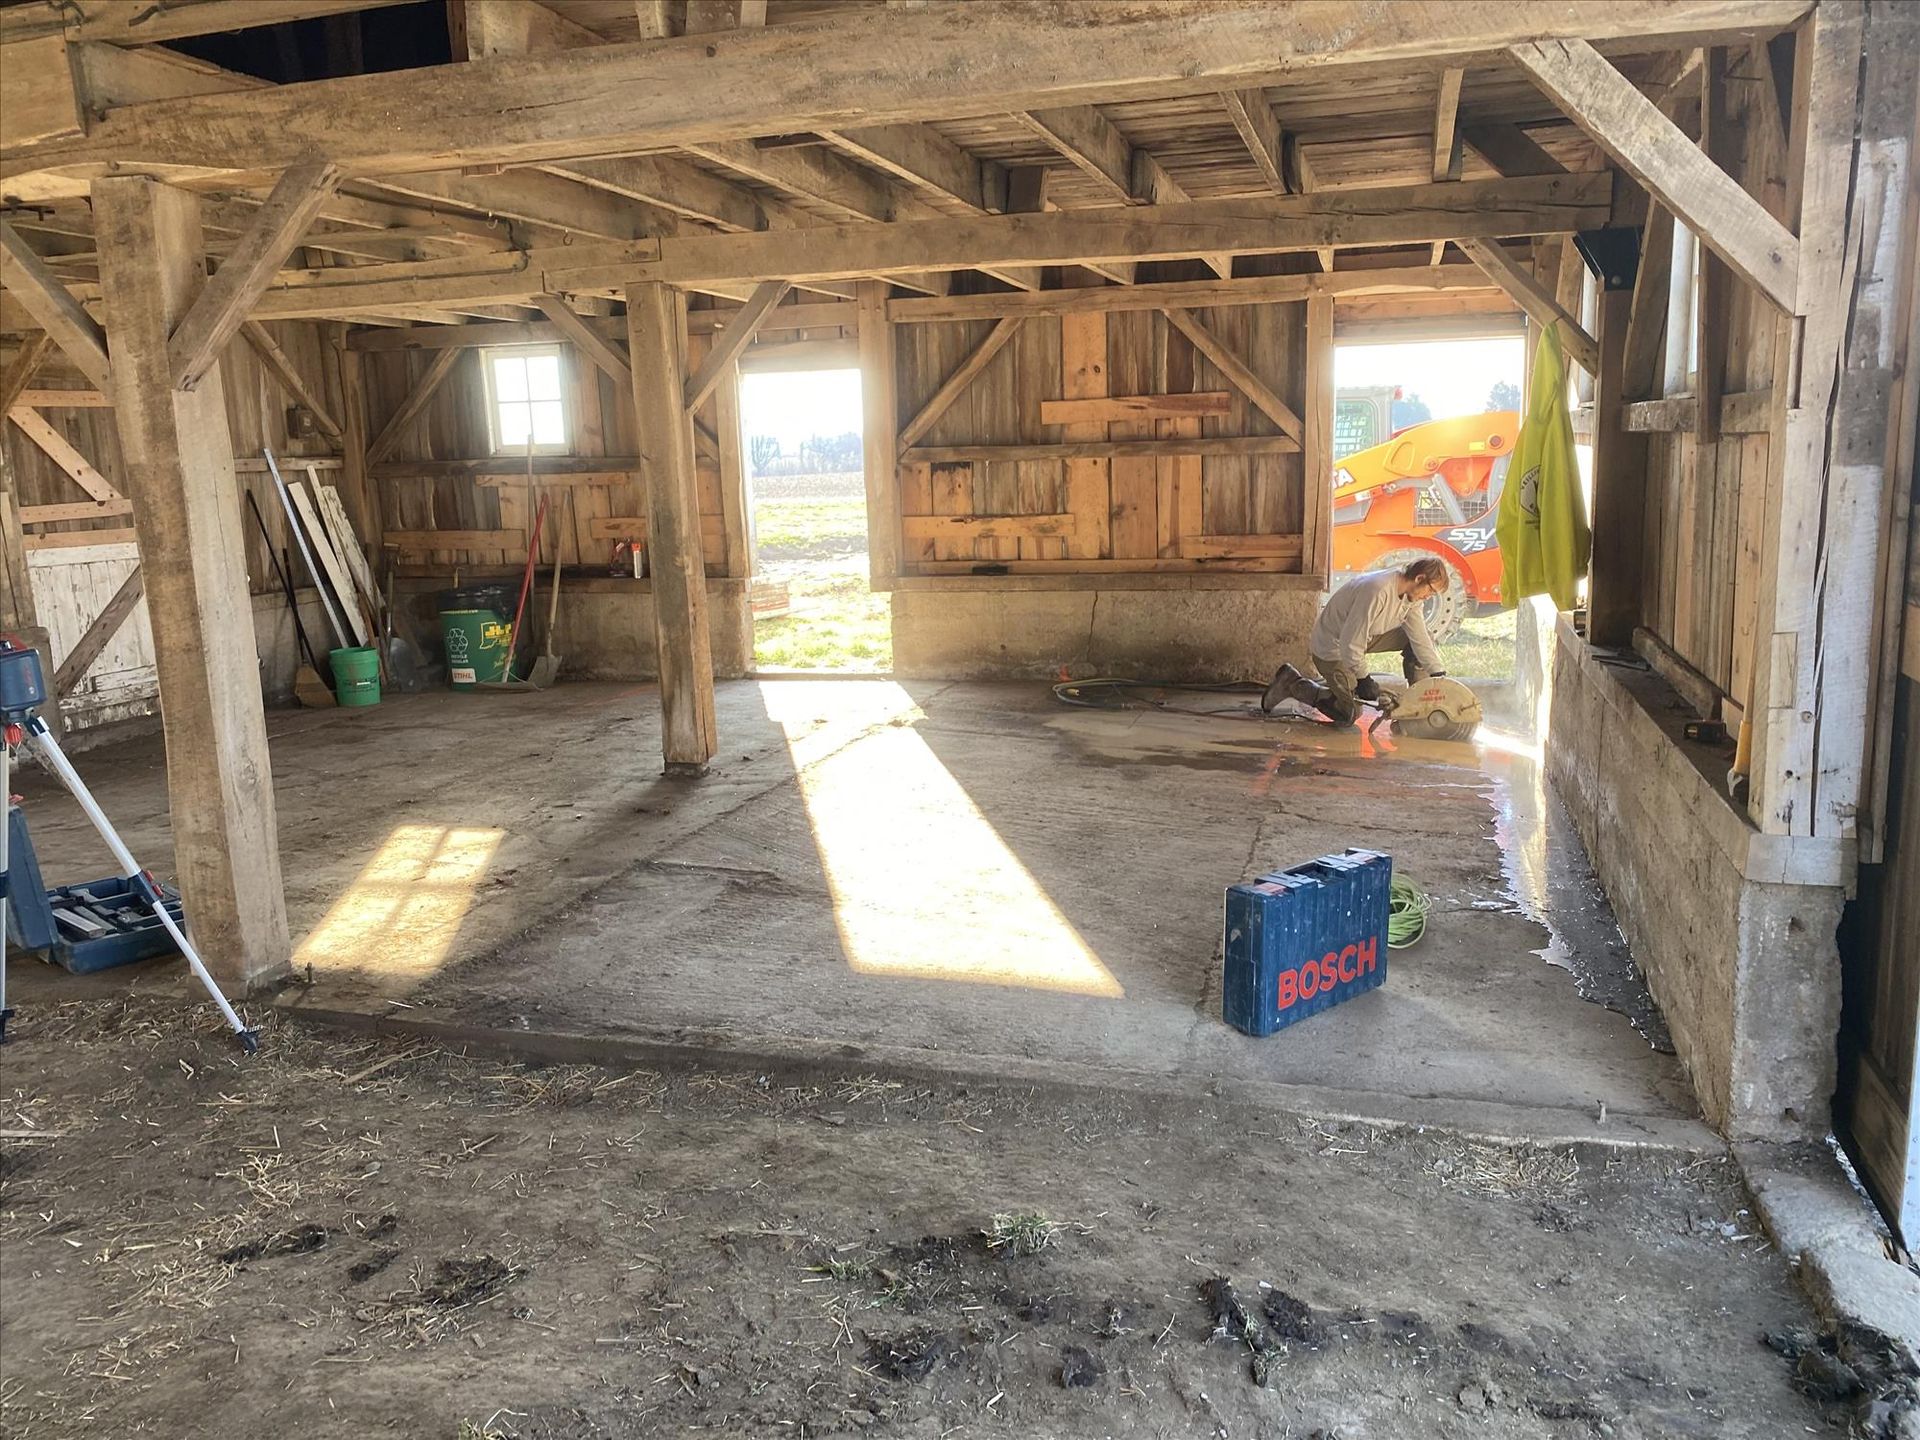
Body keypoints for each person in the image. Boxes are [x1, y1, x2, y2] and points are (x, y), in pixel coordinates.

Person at [1261, 557, 1451, 725]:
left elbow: (1420, 638)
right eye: (1431, 591)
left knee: (1417, 642)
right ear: (1419, 579)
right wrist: (1363, 679)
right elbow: (1350, 642)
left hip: (1362, 638)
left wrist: (1438, 674)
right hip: (1332, 646)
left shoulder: (1412, 598)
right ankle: (1292, 684)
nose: (1428, 597)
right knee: (1349, 713)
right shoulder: (1378, 590)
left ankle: (1420, 704)